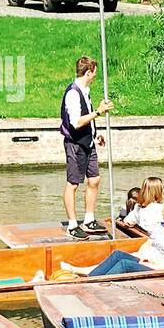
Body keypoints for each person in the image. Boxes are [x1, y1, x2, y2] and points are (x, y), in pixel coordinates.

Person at [61, 208, 164, 278]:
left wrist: (153, 265)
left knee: (125, 264)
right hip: (160, 265)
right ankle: (93, 278)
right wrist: (152, 260)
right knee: (119, 255)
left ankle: (96, 284)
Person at [60, 55, 112, 239]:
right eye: (94, 73)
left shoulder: (85, 90)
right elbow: (75, 122)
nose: (95, 77)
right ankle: (72, 225)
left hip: (88, 141)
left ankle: (88, 219)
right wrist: (98, 112)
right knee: (73, 184)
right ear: (88, 72)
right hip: (75, 144)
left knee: (94, 179)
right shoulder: (73, 93)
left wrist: (95, 132)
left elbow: (86, 119)